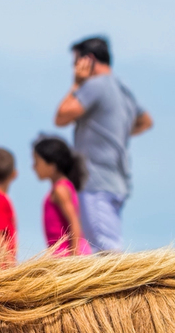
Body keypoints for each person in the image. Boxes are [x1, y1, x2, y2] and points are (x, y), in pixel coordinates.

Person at [52, 35, 151, 253]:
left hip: (95, 181)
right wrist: (116, 132)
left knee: (107, 254)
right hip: (117, 182)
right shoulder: (122, 88)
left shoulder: (94, 85)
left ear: (87, 60)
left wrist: (76, 83)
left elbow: (61, 117)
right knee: (107, 247)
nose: (74, 67)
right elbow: (145, 121)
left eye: (76, 62)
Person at [31, 135, 88, 257]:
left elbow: (74, 222)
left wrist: (74, 257)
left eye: (36, 162)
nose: (33, 167)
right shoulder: (62, 187)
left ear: (52, 165)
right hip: (62, 256)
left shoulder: (60, 190)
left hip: (67, 255)